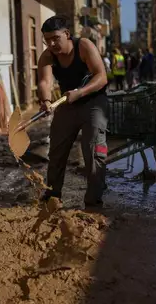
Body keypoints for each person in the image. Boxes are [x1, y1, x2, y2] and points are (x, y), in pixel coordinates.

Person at [37, 15, 109, 208]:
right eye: (47, 40)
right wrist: (45, 101)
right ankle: (53, 193)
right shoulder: (47, 55)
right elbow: (44, 81)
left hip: (94, 101)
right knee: (57, 149)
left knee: (92, 148)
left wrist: (81, 92)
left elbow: (101, 77)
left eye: (55, 38)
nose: (51, 43)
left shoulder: (84, 46)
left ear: (67, 34)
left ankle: (94, 199)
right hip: (68, 103)